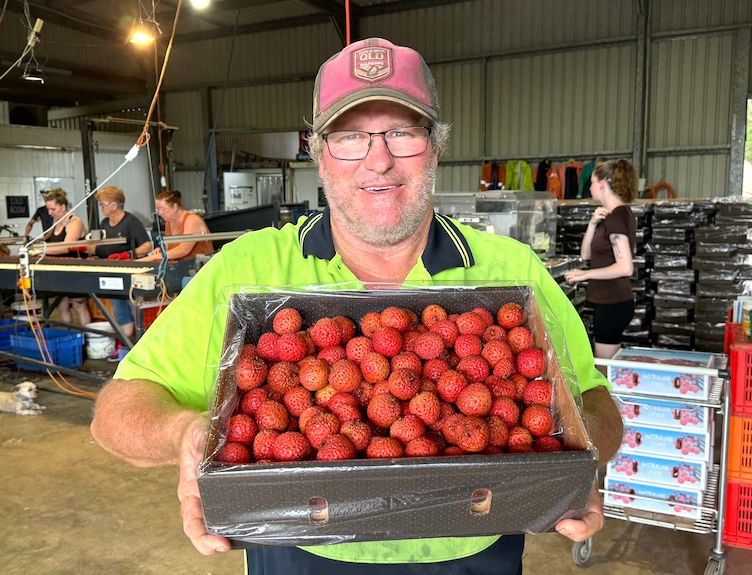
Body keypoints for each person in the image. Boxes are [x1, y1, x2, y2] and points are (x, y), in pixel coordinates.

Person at [91, 38, 623, 574]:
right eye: (350, 137)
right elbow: (115, 413)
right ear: (320, 153)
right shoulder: (244, 269)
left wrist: (579, 459)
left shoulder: (512, 270)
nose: (379, 159)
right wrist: (185, 433)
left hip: (472, 552)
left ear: (435, 147)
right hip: (297, 551)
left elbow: (597, 405)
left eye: (402, 133)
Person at [564, 159, 637, 360]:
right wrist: (592, 223)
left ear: (603, 185)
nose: (590, 187)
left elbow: (625, 267)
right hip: (609, 300)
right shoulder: (613, 216)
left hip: (613, 301)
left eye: (592, 182)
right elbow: (586, 255)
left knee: (605, 368)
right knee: (607, 362)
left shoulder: (616, 217)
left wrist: (584, 274)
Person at [92, 186, 153, 356]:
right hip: (111, 272)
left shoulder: (130, 221)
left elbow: (147, 245)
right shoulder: (104, 223)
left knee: (134, 308)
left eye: (104, 204)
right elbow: (100, 246)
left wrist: (128, 254)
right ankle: (126, 348)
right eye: (101, 205)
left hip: (130, 274)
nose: (102, 208)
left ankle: (140, 351)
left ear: (115, 204)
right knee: (120, 311)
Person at [41, 188, 91, 327]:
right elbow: (46, 240)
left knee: (79, 307)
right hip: (58, 272)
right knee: (62, 307)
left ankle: (87, 340)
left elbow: (66, 247)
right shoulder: (56, 223)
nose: (50, 213)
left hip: (74, 272)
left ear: (63, 207)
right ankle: (67, 338)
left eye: (53, 209)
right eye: (48, 209)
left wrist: (42, 250)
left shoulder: (74, 222)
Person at [136, 190, 213, 262]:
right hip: (179, 265)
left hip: (200, 266)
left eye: (163, 209)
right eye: (158, 210)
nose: (160, 213)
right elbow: (172, 246)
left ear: (175, 207)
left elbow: (183, 249)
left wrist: (154, 257)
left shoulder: (192, 220)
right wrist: (162, 249)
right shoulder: (169, 222)